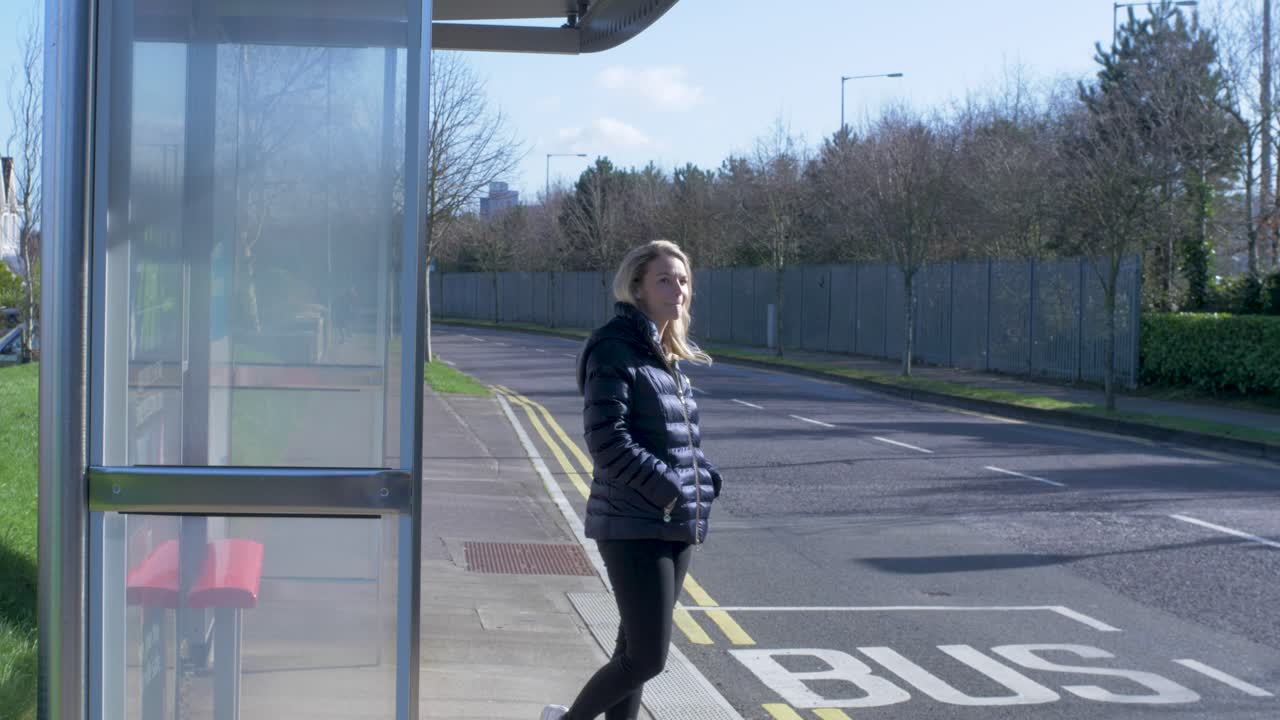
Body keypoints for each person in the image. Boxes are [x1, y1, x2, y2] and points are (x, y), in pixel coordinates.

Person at [542, 240, 723, 720]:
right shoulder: (615, 348)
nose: (677, 289)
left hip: (671, 520)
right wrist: (669, 489)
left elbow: (679, 440)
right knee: (647, 657)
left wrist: (704, 479)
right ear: (637, 287)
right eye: (664, 279)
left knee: (633, 652)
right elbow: (607, 439)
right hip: (634, 521)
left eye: (683, 280)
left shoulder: (664, 354)